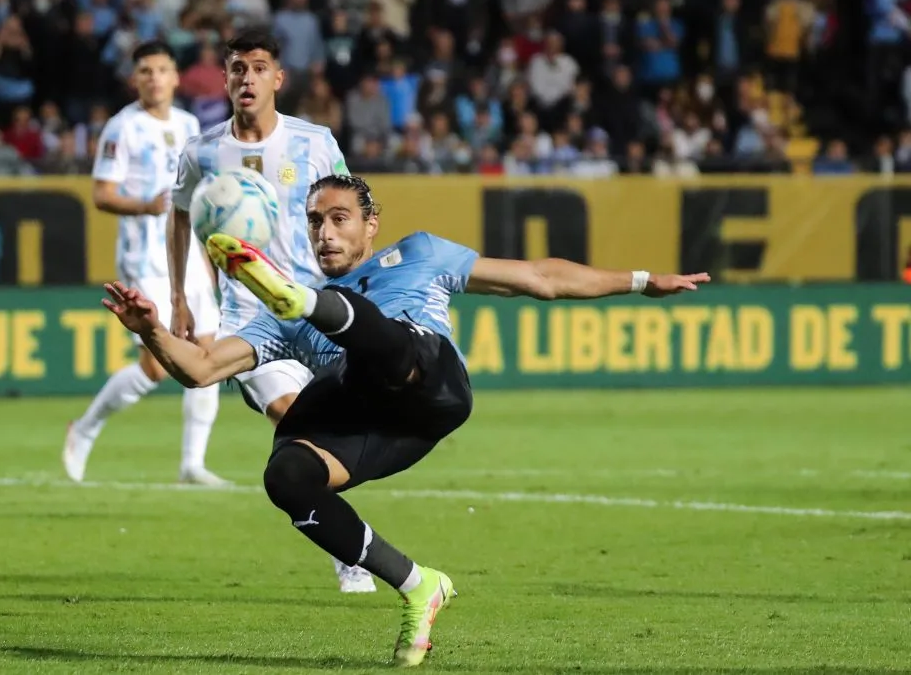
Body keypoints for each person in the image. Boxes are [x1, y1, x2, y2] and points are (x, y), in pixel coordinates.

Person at [102, 174, 711, 666]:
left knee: (381, 342)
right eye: (315, 220)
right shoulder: (285, 316)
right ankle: (419, 585)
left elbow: (540, 278)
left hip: (431, 383)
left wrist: (639, 280)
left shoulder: (419, 255)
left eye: (339, 218)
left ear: (371, 225)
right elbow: (203, 368)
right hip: (376, 421)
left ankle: (330, 313)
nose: (325, 231)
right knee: (286, 474)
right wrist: (151, 329)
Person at [166, 28, 376, 593]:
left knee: (333, 434)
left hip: (318, 308)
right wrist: (182, 296)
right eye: (237, 68)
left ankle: (339, 532)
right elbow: (180, 215)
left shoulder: (313, 142)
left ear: (277, 78)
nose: (247, 78)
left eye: (259, 68)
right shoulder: (203, 151)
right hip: (249, 316)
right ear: (227, 78)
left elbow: (348, 205)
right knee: (290, 412)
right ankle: (349, 551)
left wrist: (362, 281)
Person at [62, 40, 225, 486]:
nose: (154, 78)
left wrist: (209, 259)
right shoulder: (122, 128)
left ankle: (192, 463)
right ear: (135, 79)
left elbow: (199, 198)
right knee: (156, 366)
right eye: (146, 71)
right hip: (144, 257)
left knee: (208, 356)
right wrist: (145, 206)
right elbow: (101, 194)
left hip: (187, 255)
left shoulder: (191, 124)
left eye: (161, 70)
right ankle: (85, 427)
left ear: (175, 77)